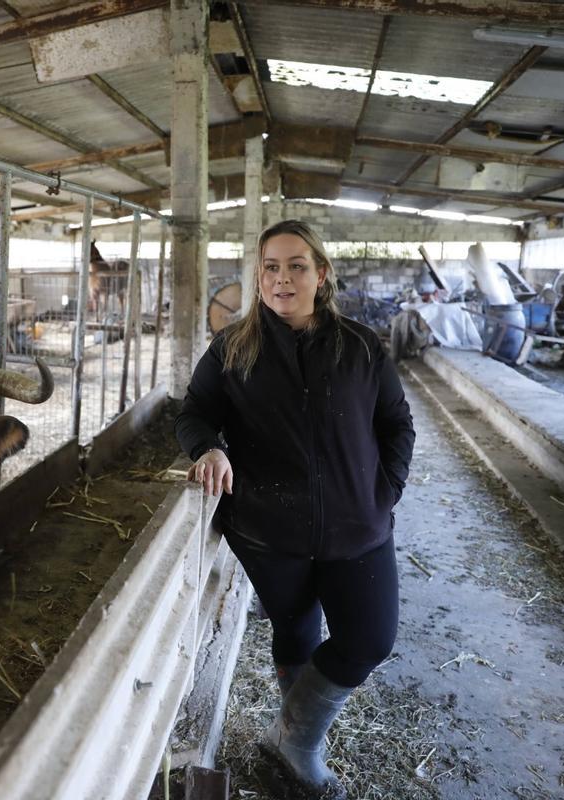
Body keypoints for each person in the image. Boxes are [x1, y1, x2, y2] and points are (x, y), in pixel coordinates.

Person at [175, 219, 415, 797]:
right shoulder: (233, 348)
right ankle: (301, 749)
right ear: (258, 278)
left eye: (297, 265)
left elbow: (396, 424)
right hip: (267, 527)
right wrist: (208, 447)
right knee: (297, 627)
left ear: (321, 274)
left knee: (369, 638)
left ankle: (291, 736)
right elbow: (193, 411)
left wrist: (383, 492)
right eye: (272, 267)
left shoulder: (360, 346)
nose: (283, 278)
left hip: (359, 526)